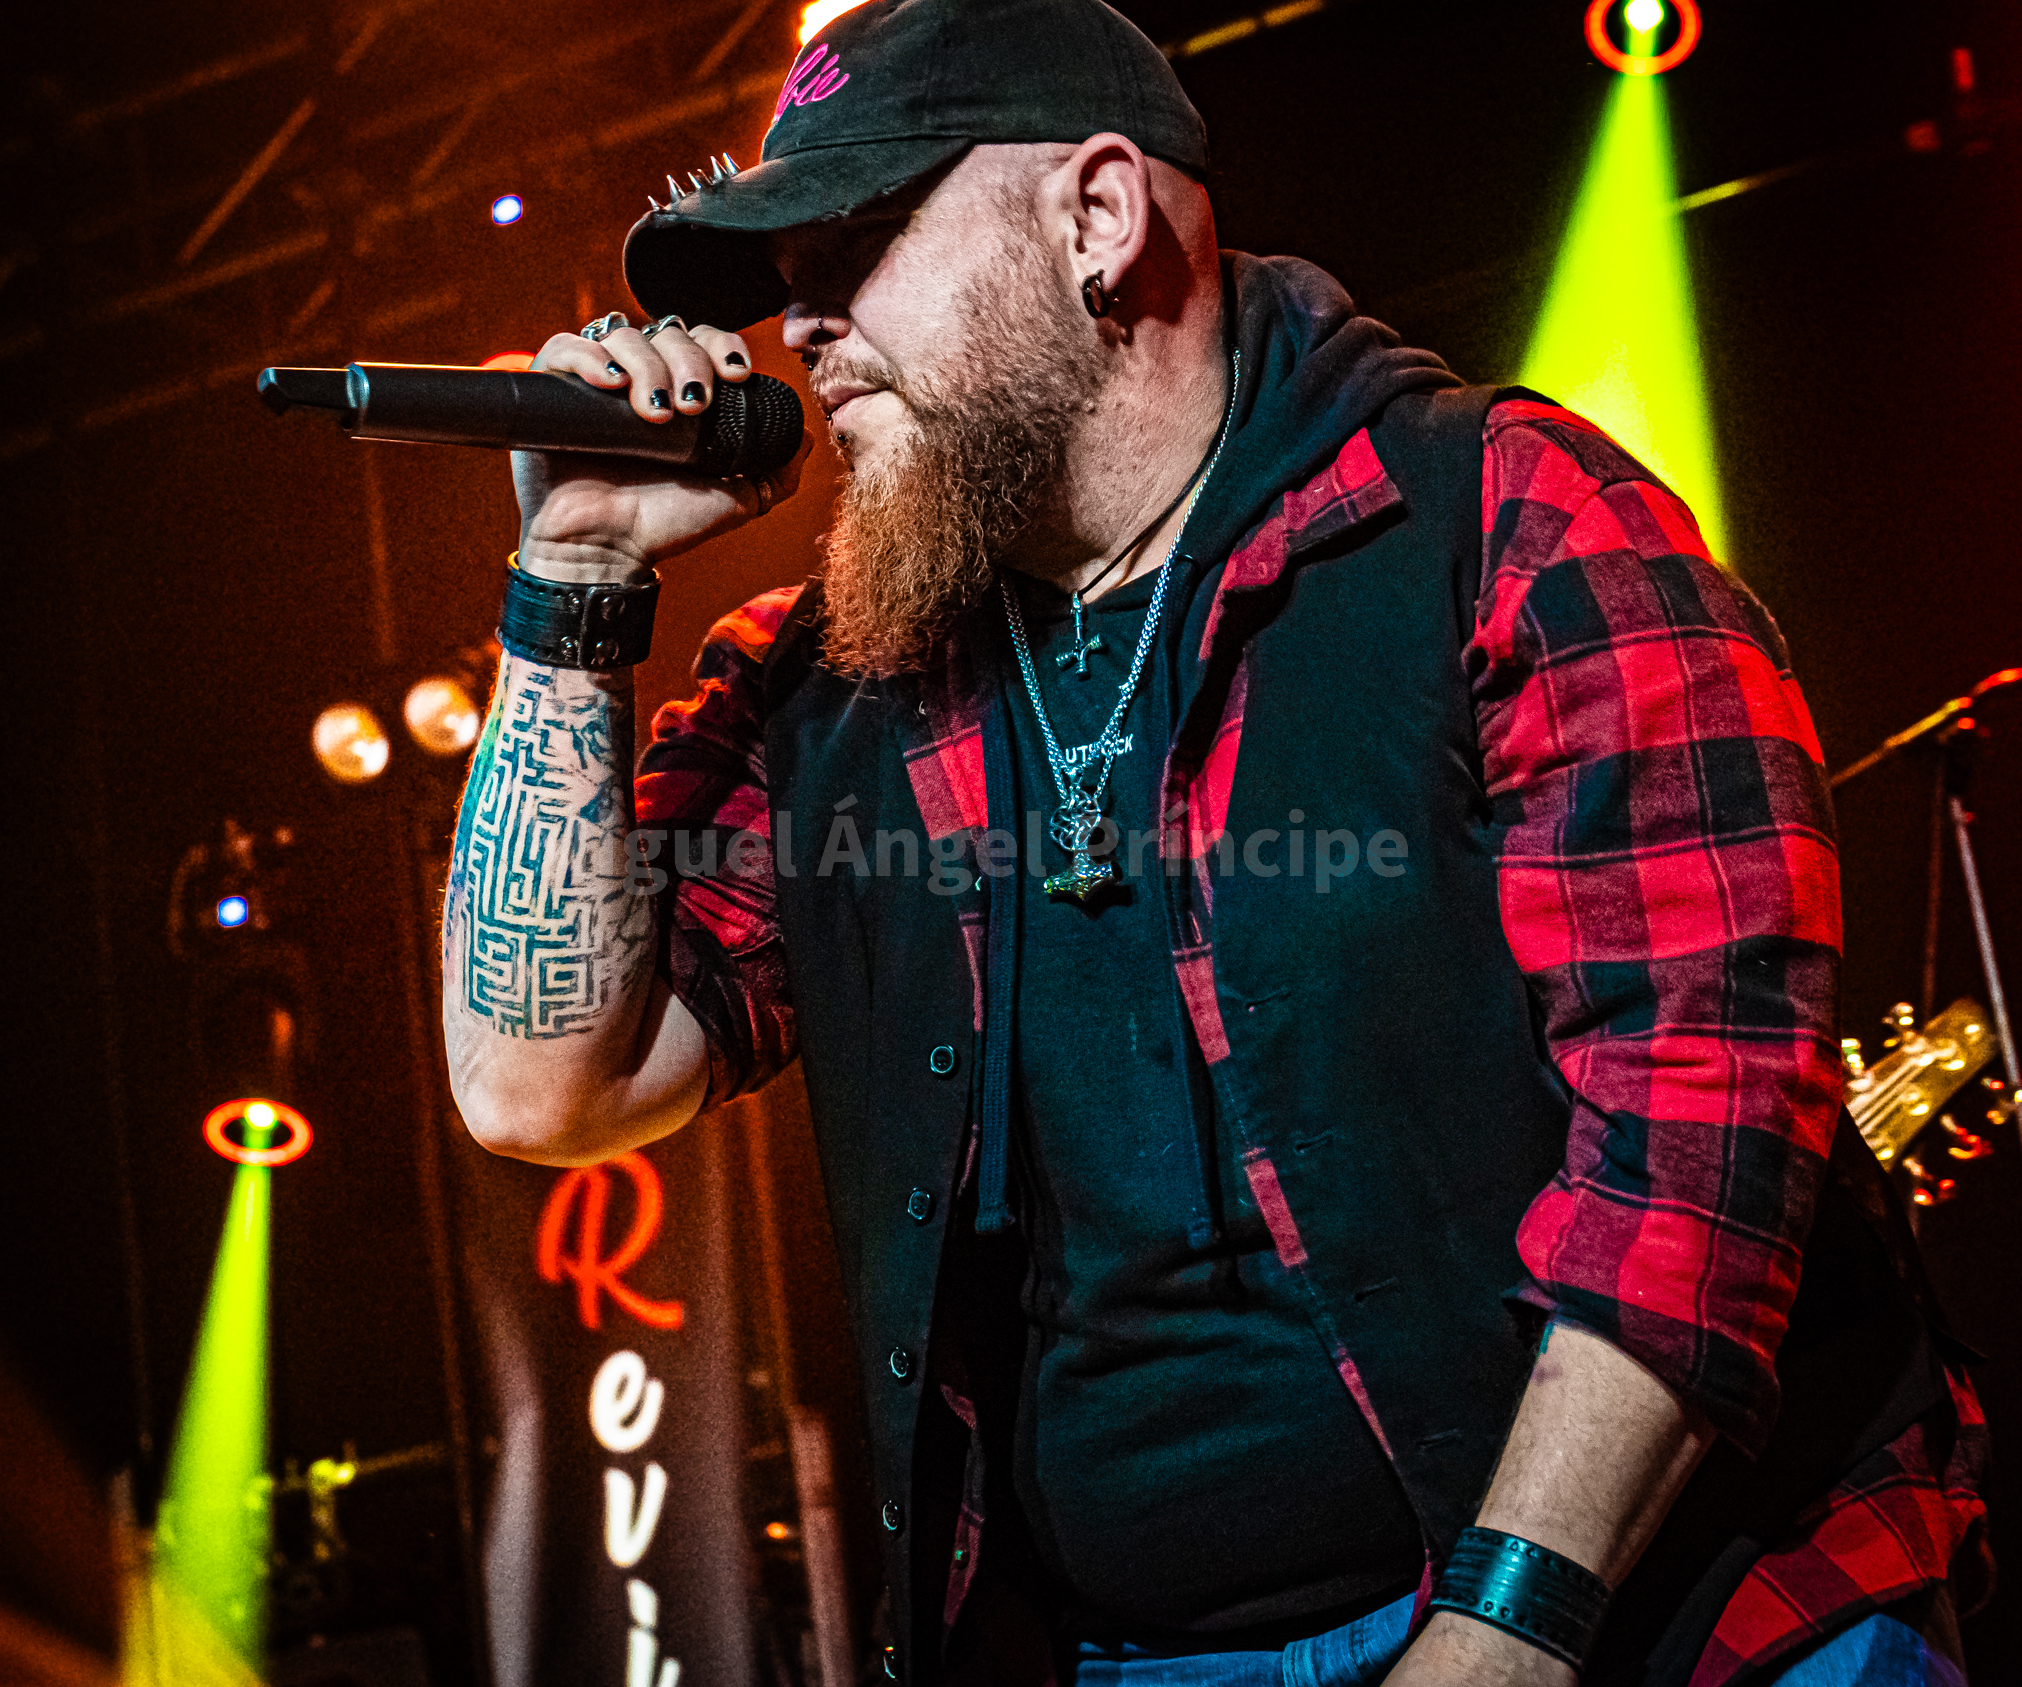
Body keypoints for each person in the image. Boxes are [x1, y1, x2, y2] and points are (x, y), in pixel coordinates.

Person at [440, 3, 1987, 1682]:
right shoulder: (833, 686)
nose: (799, 324)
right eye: (785, 274)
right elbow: (542, 1088)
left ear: (1098, 217)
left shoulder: (1504, 522)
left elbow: (1702, 1120)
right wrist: (575, 575)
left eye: (856, 244)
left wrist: (1506, 1632)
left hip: (1677, 1616)